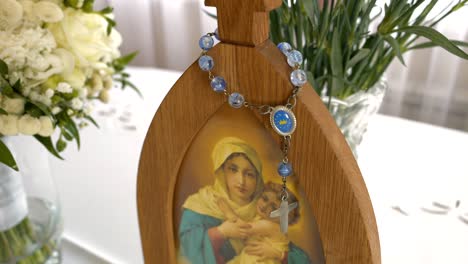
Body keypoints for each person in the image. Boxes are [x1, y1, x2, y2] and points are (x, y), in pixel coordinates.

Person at [178, 137, 310, 263]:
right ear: (222, 170)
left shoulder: (264, 215)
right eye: (233, 169)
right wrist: (219, 233)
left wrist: (281, 255)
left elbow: (300, 258)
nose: (241, 181)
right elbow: (185, 248)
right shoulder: (202, 203)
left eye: (249, 174)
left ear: (258, 179)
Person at [217, 182, 308, 264]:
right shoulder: (264, 220)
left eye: (273, 208)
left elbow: (243, 228)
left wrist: (228, 212)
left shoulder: (269, 225)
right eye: (264, 199)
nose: (264, 206)